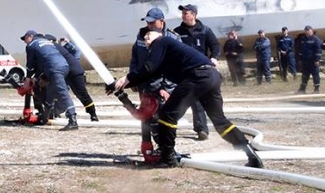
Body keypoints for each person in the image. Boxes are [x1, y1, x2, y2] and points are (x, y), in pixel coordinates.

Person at [110, 29, 264, 169]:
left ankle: (167, 158)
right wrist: (119, 85)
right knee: (220, 120)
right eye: (144, 39)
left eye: (148, 36)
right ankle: (251, 155)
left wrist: (127, 77)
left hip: (197, 76)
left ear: (158, 35)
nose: (146, 40)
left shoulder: (162, 41)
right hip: (211, 75)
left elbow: (148, 67)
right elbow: (149, 74)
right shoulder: (165, 54)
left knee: (168, 114)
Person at [129, 8, 180, 159]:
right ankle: (148, 147)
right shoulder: (141, 36)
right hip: (145, 84)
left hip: (164, 86)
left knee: (163, 117)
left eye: (152, 22)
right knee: (145, 116)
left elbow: (176, 65)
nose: (149, 25)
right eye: (147, 22)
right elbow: (135, 59)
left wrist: (166, 88)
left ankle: (166, 150)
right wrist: (133, 79)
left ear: (161, 21)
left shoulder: (172, 38)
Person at [173, 4, 220, 141]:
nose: (183, 15)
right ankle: (168, 125)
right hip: (185, 70)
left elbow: (215, 45)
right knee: (186, 99)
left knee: (202, 100)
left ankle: (205, 128)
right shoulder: (177, 32)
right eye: (183, 13)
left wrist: (214, 57)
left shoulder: (204, 30)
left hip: (202, 70)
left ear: (194, 15)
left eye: (186, 13)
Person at [21, 29, 78, 130]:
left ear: (30, 37)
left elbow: (30, 65)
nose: (25, 41)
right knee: (50, 96)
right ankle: (45, 118)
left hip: (54, 68)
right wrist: (40, 77)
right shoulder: (48, 43)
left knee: (63, 93)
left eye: (25, 39)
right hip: (63, 66)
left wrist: (27, 80)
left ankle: (72, 120)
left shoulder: (31, 45)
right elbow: (45, 61)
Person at [46, 34, 99, 122]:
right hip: (64, 72)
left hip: (74, 71)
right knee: (58, 93)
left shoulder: (54, 47)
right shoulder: (56, 47)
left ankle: (93, 114)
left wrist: (67, 42)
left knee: (81, 94)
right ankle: (54, 112)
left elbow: (76, 51)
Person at [296, 25, 322, 94]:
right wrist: (301, 59)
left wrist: (317, 60)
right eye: (306, 31)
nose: (307, 32)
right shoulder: (303, 39)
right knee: (304, 75)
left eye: (308, 30)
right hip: (305, 61)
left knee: (315, 75)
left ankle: (316, 89)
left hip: (313, 61)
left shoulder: (316, 39)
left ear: (311, 31)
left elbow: (318, 50)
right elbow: (301, 50)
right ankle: (302, 89)